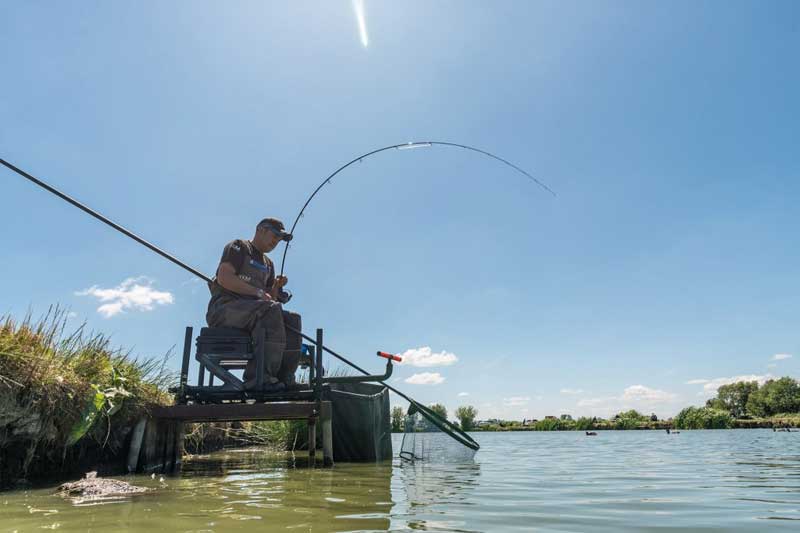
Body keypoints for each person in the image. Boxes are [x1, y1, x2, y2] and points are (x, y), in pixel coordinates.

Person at [206, 217, 302, 392]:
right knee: (270, 310)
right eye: (274, 236)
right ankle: (259, 379)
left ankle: (285, 378)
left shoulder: (269, 264)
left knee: (292, 319)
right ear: (260, 230)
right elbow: (224, 277)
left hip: (256, 312)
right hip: (225, 309)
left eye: (280, 240)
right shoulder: (239, 247)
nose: (276, 242)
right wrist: (257, 292)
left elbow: (270, 301)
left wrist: (275, 287)